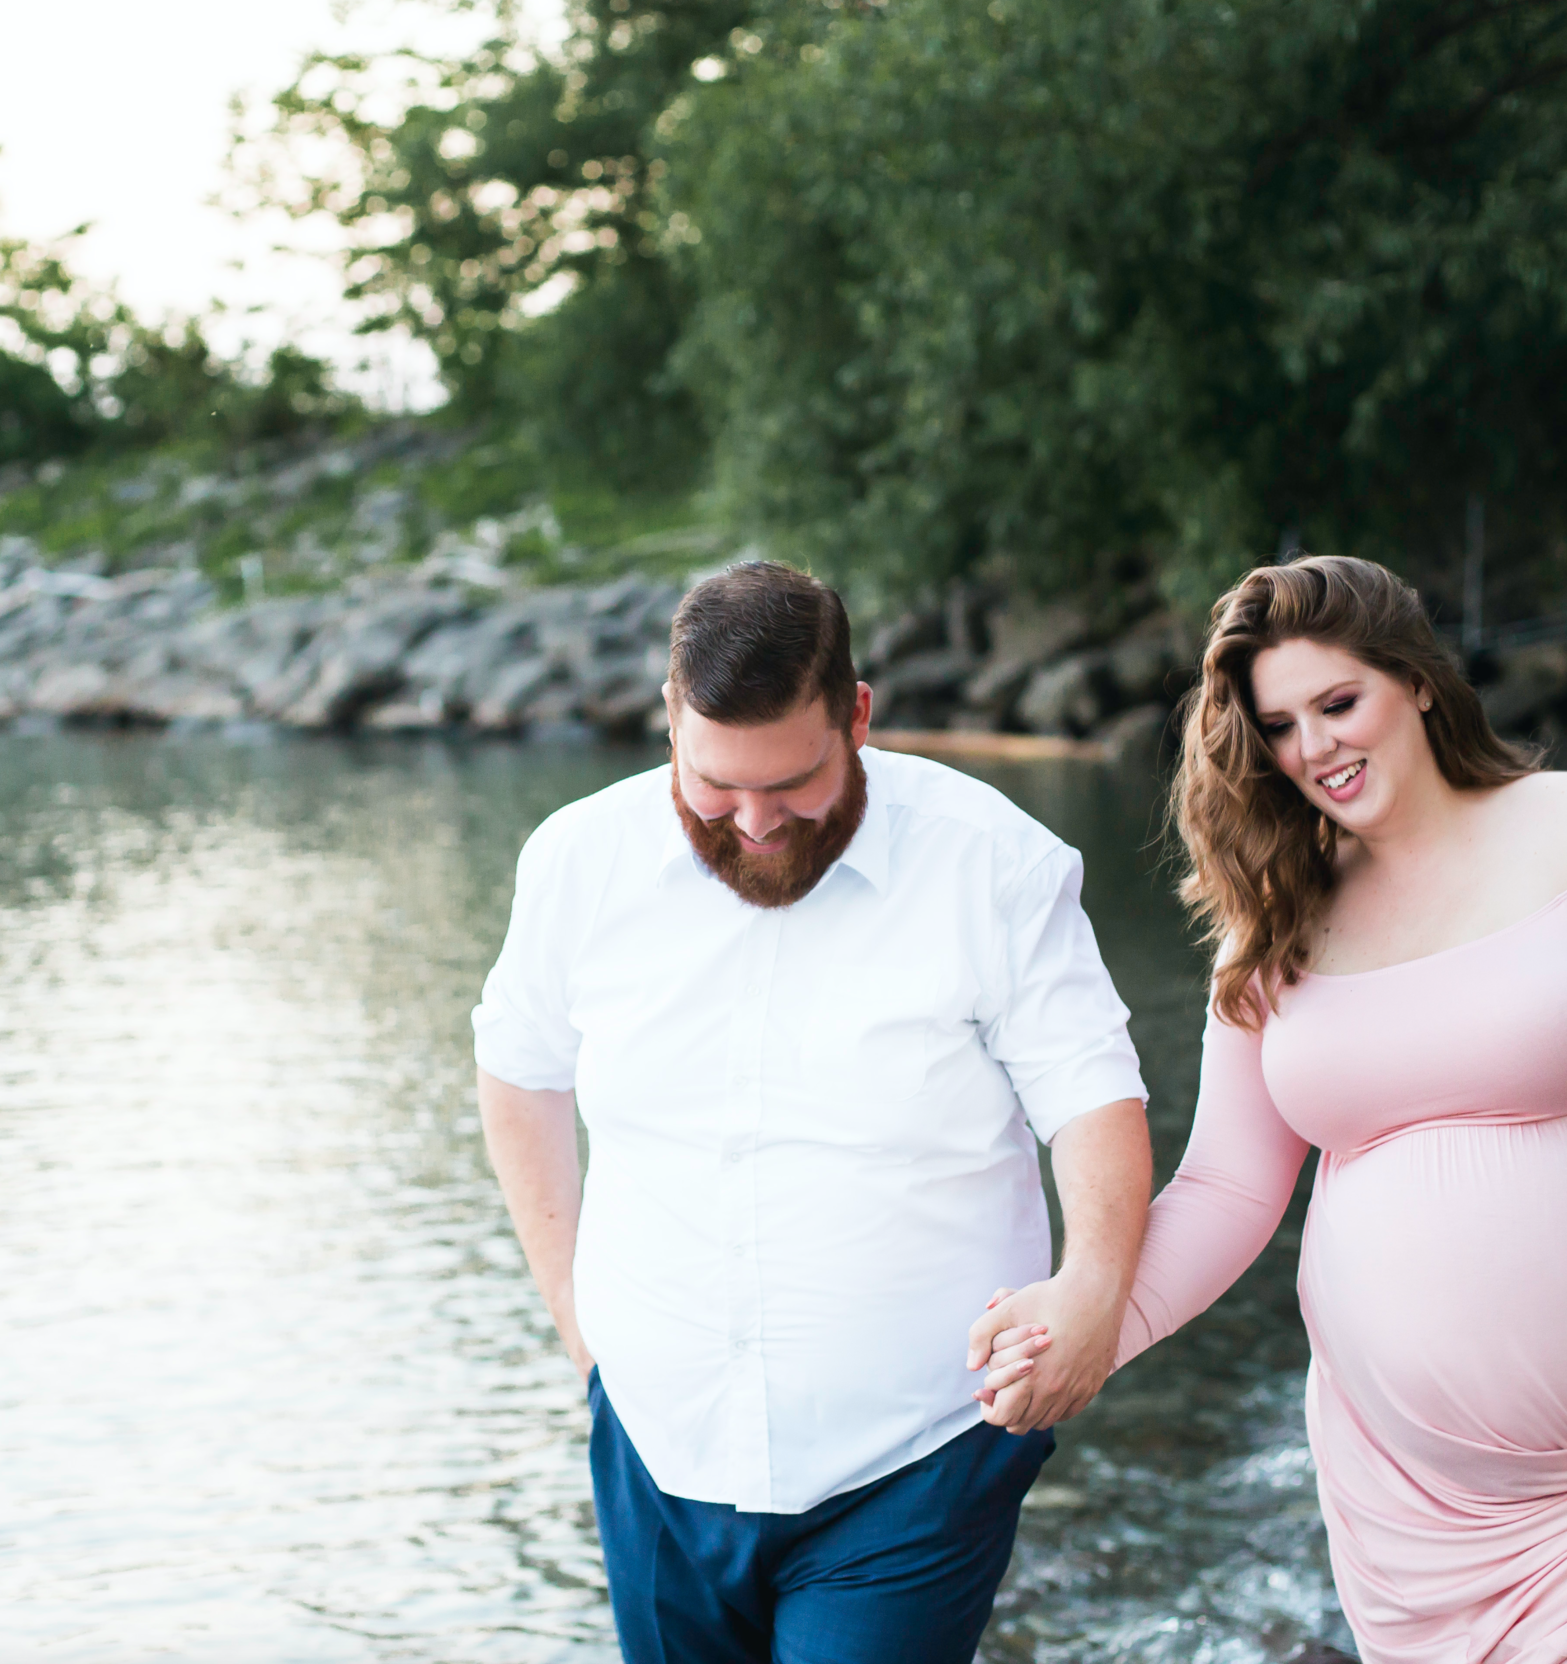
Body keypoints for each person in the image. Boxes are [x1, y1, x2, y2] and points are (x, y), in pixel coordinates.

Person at [972, 556, 1567, 1664]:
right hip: (1413, 1498)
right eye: (1281, 726)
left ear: (1417, 681)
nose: (1315, 747)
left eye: (1339, 703)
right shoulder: (1273, 924)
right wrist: (1092, 1322)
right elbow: (1231, 1187)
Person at [472, 560, 1152, 1664]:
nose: (752, 823)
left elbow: (1090, 1098)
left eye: (791, 783)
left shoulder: (995, 863)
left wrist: (1092, 1286)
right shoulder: (574, 862)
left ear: (858, 716)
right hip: (653, 1439)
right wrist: (576, 1314)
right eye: (713, 785)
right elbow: (517, 1069)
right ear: (669, 722)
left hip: (912, 1460)